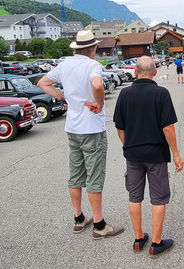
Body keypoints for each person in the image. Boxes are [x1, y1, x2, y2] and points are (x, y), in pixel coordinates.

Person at [37, 30, 124, 239]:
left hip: (72, 129)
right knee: (94, 175)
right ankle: (99, 225)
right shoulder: (92, 65)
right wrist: (100, 103)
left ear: (77, 48)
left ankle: (78, 219)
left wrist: (62, 97)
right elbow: (96, 84)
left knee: (75, 174)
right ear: (93, 49)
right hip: (91, 129)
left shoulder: (65, 65)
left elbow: (42, 83)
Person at [113, 56, 183, 258]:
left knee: (134, 196)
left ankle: (138, 239)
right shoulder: (161, 93)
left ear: (135, 72)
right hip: (156, 154)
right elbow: (168, 128)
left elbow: (120, 127)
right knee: (158, 197)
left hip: (133, 155)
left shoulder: (125, 94)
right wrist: (176, 155)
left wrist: (128, 146)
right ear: (155, 72)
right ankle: (156, 243)